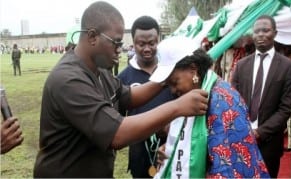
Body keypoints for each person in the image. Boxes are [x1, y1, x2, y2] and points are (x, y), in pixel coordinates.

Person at [33, 1, 208, 178]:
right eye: (116, 43)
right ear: (92, 37)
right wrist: (177, 107)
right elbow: (117, 134)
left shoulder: (99, 71)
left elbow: (130, 96)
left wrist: (168, 76)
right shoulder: (68, 80)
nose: (120, 49)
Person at [151, 36, 269, 178]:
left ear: (193, 70)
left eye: (174, 82)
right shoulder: (198, 94)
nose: (172, 90)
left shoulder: (221, 102)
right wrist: (173, 151)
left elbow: (226, 168)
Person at [231, 15, 291, 178]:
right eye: (257, 31)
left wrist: (260, 132)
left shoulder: (287, 67)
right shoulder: (241, 66)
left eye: (265, 30)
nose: (260, 34)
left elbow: (285, 109)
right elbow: (233, 101)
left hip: (269, 145)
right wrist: (243, 129)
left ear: (275, 33)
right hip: (241, 138)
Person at [118, 15, 174, 178]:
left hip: (170, 150)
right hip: (140, 156)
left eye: (152, 43)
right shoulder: (123, 78)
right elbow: (118, 122)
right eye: (141, 44)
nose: (147, 48)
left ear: (159, 41)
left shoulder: (171, 72)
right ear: (133, 43)